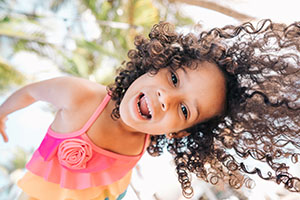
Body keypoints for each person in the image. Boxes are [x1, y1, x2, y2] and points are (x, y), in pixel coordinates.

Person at [0, 19, 300, 199]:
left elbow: (110, 188)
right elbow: (31, 92)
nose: (164, 99)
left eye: (184, 110)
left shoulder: (139, 145)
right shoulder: (82, 97)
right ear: (157, 63)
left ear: (180, 132)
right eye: (173, 79)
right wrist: (2, 113)